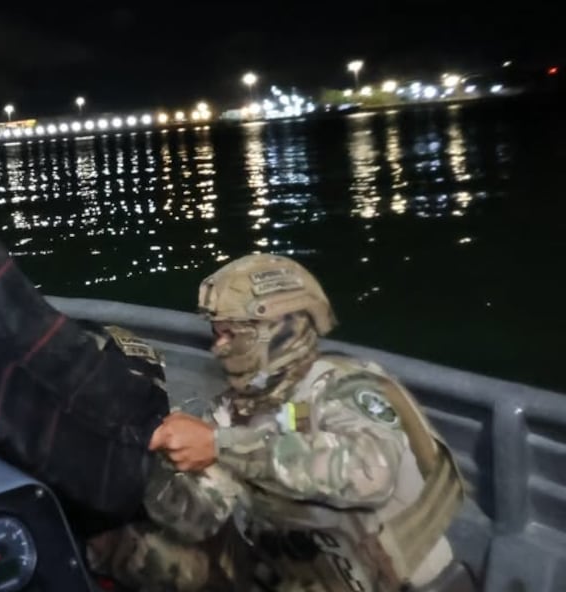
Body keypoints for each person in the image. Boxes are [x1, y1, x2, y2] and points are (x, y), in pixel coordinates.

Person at [90, 253, 476, 592]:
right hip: (295, 577)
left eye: (230, 334)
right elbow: (198, 520)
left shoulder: (346, 386)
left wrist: (221, 446)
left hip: (399, 585)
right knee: (122, 548)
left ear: (278, 328)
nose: (218, 347)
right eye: (216, 332)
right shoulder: (233, 410)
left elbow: (369, 473)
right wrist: (152, 457)